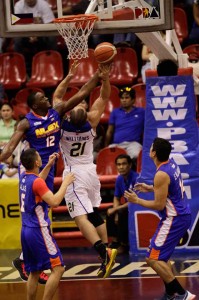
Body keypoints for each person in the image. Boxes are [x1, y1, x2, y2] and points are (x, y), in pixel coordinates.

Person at [1, 61, 101, 283]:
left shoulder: (56, 112)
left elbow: (83, 92)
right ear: (34, 107)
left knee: (41, 216)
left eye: (46, 98)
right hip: (32, 172)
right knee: (36, 217)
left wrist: (99, 75)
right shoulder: (26, 124)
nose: (48, 100)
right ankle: (30, 262)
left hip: (49, 169)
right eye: (42, 99)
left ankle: (24, 260)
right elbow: (8, 150)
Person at [59, 64, 117, 279]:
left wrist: (68, 79)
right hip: (91, 173)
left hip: (74, 174)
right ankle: (108, 251)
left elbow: (58, 99)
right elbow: (103, 97)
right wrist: (106, 79)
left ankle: (104, 251)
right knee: (93, 213)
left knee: (79, 218)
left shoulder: (61, 126)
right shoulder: (92, 120)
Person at [124, 137, 195, 300]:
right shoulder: (171, 164)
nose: (149, 149)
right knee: (161, 258)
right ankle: (170, 294)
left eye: (151, 147)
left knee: (152, 258)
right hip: (180, 215)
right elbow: (170, 188)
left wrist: (137, 200)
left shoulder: (161, 174)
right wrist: (151, 187)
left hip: (174, 218)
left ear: (154, 153)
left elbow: (159, 205)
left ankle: (183, 294)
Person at [19, 148, 75, 300]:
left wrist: (49, 165)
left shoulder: (24, 177)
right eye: (39, 156)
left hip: (25, 230)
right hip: (39, 230)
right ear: (37, 162)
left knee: (34, 272)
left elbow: (38, 181)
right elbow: (55, 202)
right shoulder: (36, 182)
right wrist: (66, 183)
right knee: (58, 269)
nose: (40, 156)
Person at [104, 86, 145, 169]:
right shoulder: (115, 112)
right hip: (117, 144)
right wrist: (106, 146)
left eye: (127, 97)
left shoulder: (141, 112)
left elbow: (146, 130)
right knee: (105, 155)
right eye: (122, 98)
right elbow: (109, 131)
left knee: (136, 155)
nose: (124, 100)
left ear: (133, 100)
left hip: (133, 144)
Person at [14, 0, 57, 76]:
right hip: (25, 33)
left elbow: (49, 24)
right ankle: (22, 72)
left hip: (42, 33)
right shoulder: (19, 5)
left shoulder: (43, 4)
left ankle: (51, 66)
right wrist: (30, 34)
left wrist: (37, 34)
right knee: (17, 39)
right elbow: (16, 24)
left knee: (51, 37)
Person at [106, 154, 138, 254]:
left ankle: (124, 244)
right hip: (126, 207)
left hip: (137, 207)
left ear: (130, 165)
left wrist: (116, 210)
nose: (121, 167)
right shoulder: (119, 179)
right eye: (119, 164)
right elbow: (116, 197)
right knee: (109, 211)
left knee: (121, 212)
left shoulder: (136, 178)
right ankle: (115, 241)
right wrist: (115, 211)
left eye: (124, 164)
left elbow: (135, 201)